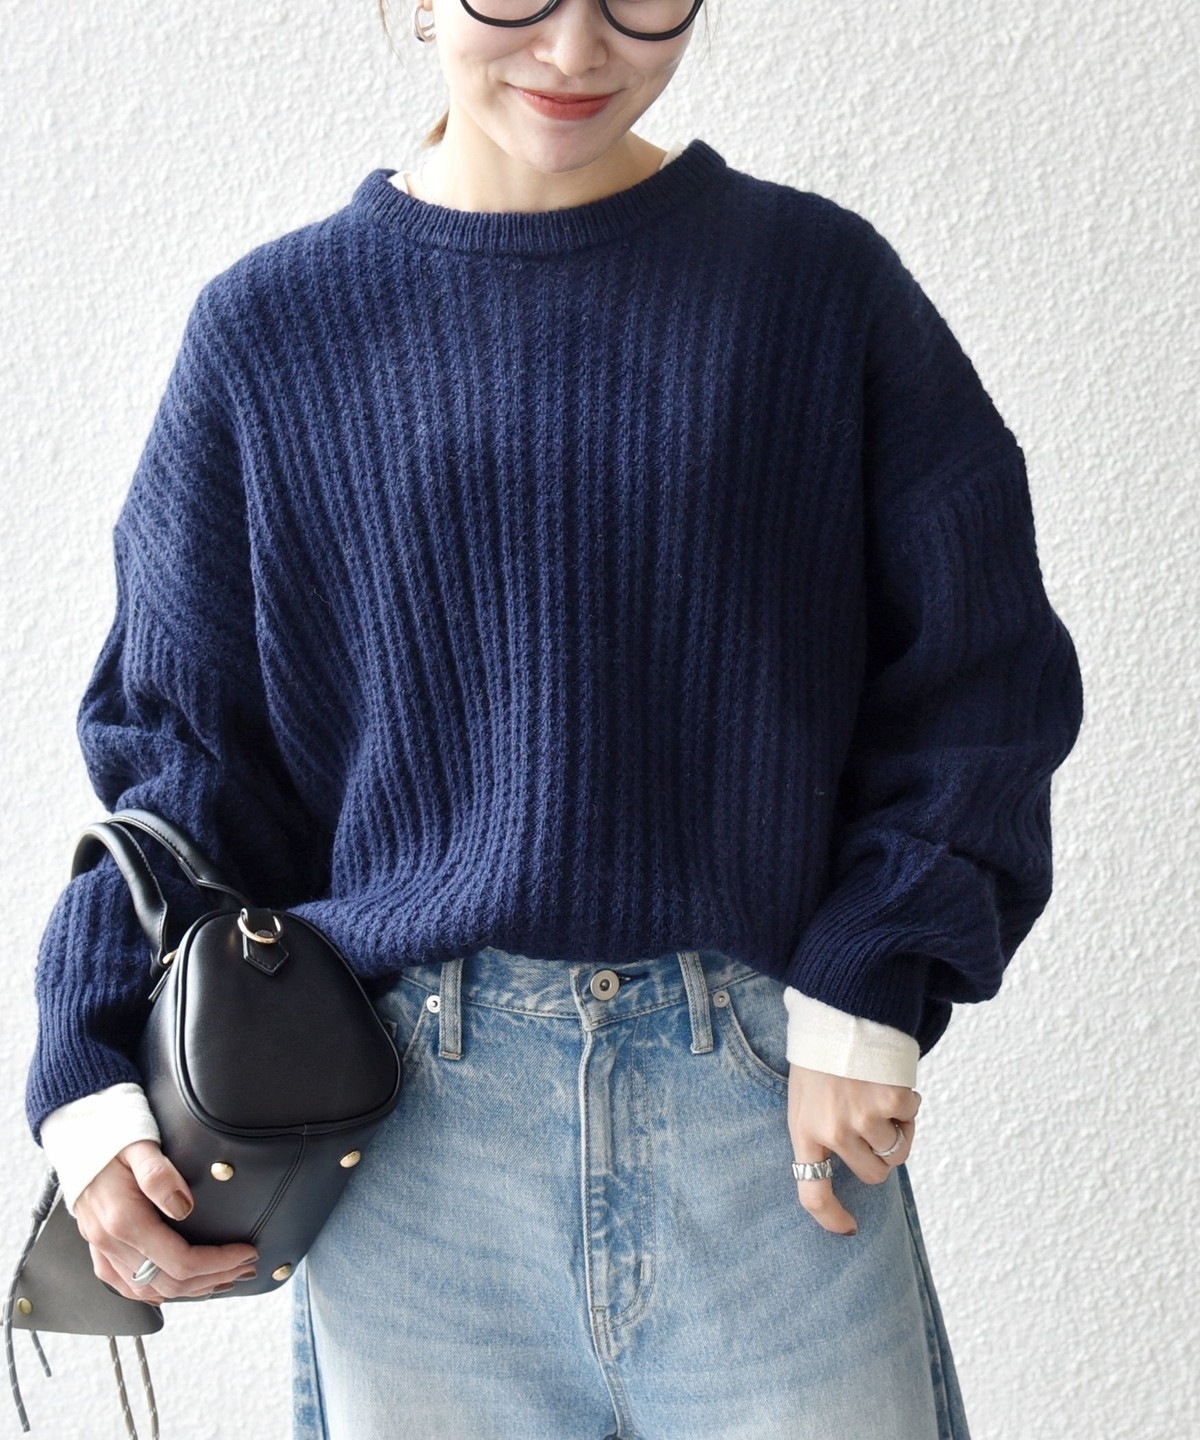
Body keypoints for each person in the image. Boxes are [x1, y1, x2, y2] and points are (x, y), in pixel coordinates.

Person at [24, 0, 1084, 1436]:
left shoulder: (815, 289)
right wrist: (89, 1067)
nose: (579, 50)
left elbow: (982, 670)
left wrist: (873, 973)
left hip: (767, 1115)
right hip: (410, 1148)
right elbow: (180, 754)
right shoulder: (270, 333)